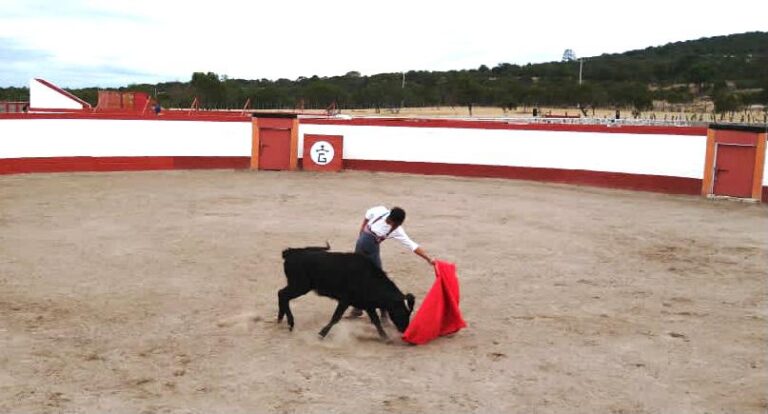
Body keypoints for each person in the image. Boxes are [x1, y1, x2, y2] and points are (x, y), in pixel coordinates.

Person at [349, 205, 434, 318]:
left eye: (393, 223)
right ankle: (371, 309)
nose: (390, 224)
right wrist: (361, 230)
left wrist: (428, 258)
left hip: (368, 246)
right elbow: (367, 215)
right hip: (364, 246)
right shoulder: (385, 216)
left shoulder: (390, 221)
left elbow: (412, 245)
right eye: (391, 222)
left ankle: (367, 309)